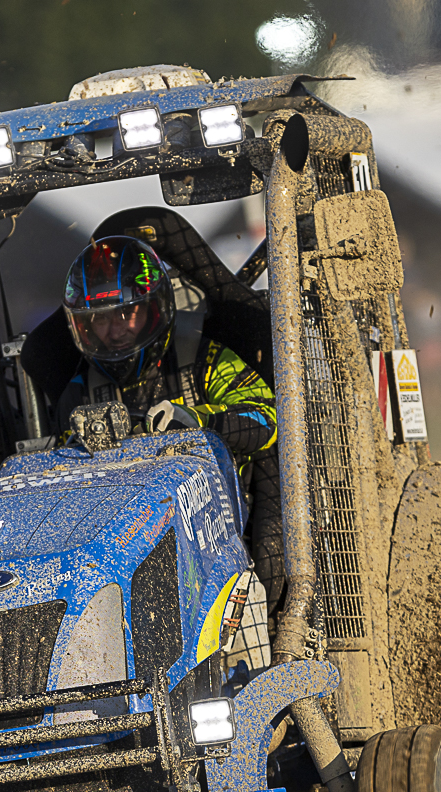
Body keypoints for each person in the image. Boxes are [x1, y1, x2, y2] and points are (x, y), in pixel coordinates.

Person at [54, 235, 281, 593]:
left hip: (220, 535)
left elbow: (266, 420)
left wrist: (196, 422)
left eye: (126, 313)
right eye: (100, 319)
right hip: (125, 550)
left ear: (154, 308)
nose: (115, 331)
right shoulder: (78, 393)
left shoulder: (206, 360)